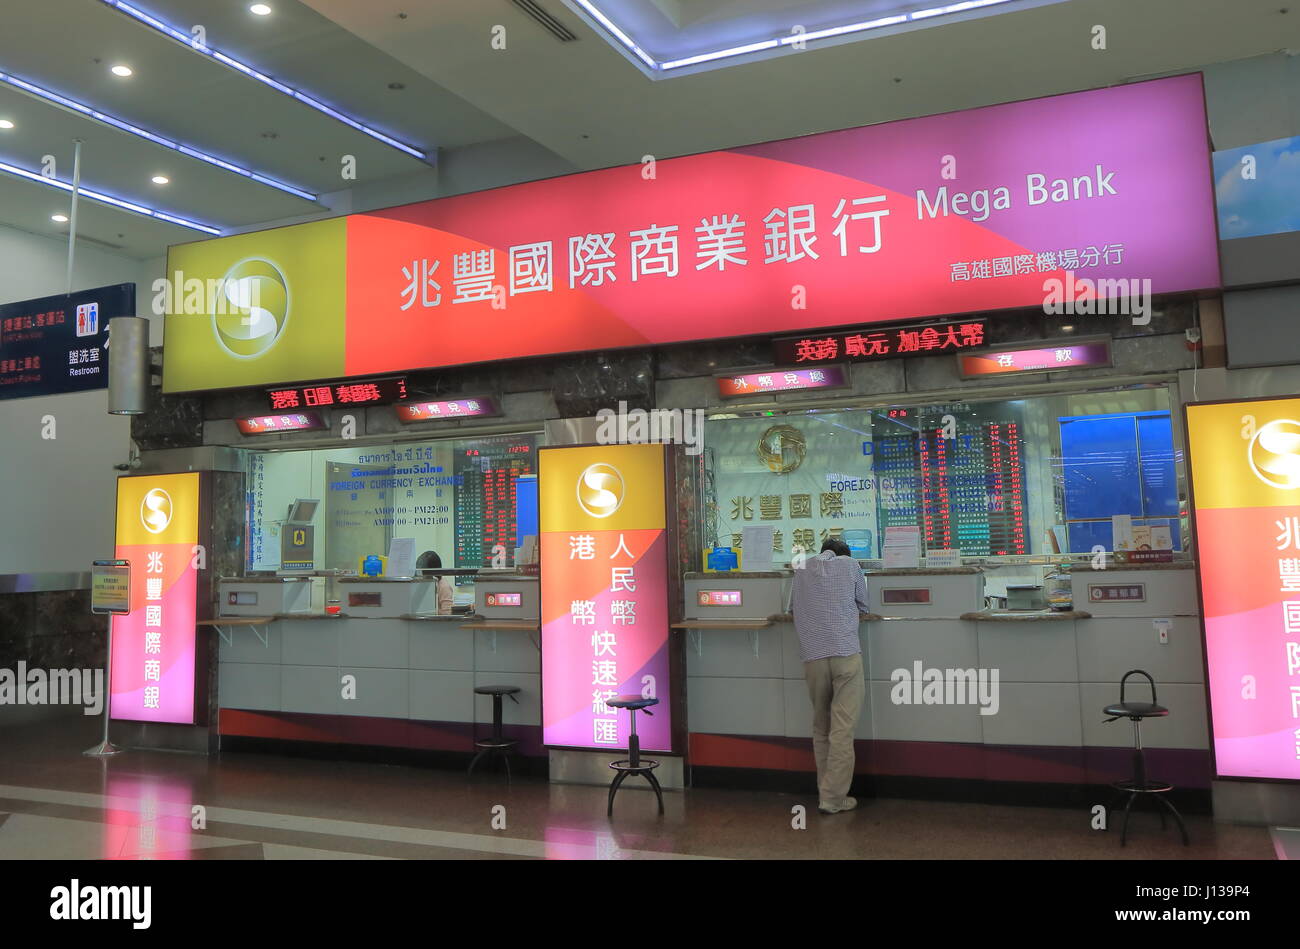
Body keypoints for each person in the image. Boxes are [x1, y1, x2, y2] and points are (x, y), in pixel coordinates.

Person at [789, 537, 868, 815]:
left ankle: (826, 793)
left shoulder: (800, 568)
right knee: (842, 730)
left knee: (821, 726)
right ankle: (834, 799)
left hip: (813, 658)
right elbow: (864, 604)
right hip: (845, 655)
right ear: (843, 553)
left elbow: (792, 608)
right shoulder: (851, 565)